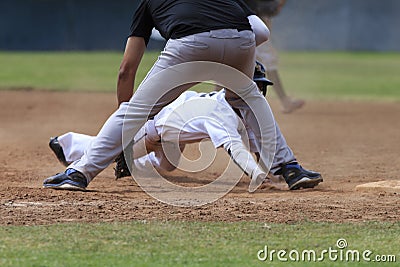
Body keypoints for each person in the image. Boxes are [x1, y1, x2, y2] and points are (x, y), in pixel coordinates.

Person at [45, 63, 322, 192]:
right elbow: (236, 149)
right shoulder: (220, 112)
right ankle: (68, 144)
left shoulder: (242, 111)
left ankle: (131, 164)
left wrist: (270, 169)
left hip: (175, 137)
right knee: (112, 149)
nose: (260, 91)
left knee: (167, 167)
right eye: (256, 85)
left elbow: (254, 142)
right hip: (157, 129)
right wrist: (258, 176)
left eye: (261, 86)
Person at [246, 0, 305, 113]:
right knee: (269, 62)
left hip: (249, 30)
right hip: (254, 30)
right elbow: (270, 9)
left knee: (236, 65)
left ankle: (217, 103)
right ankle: (284, 101)